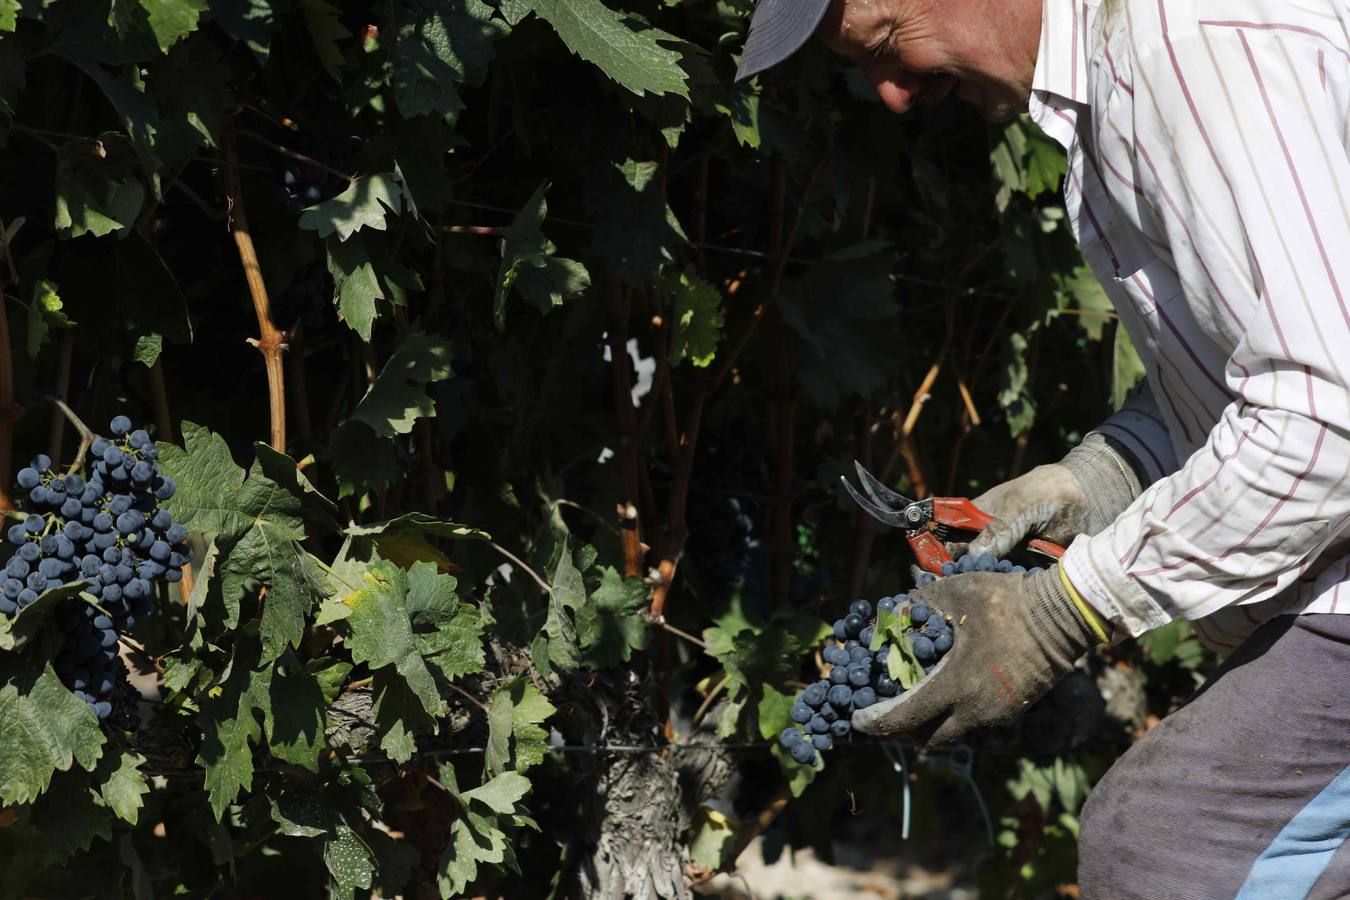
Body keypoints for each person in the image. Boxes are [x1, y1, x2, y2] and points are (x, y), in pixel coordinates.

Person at [737, 0, 1350, 896]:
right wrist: (1104, 473)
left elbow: (1325, 415)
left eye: (885, 45)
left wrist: (1066, 609)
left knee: (1171, 852)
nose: (893, 97)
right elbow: (1258, 356)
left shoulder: (1196, 57)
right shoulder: (1122, 83)